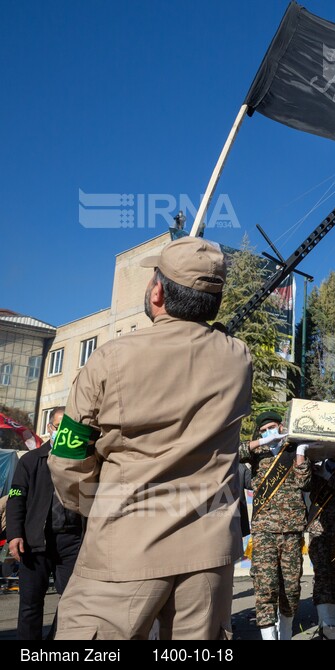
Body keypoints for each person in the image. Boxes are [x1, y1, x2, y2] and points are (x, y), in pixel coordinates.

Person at [48, 236, 252, 640]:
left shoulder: (110, 357)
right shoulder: (239, 359)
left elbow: (67, 458)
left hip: (123, 550)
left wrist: (95, 506)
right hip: (208, 555)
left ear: (157, 291)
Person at [7, 407, 83, 640]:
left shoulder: (81, 462)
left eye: (66, 428)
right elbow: (16, 498)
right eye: (58, 426)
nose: (62, 432)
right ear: (50, 428)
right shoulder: (31, 460)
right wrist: (15, 535)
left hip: (71, 541)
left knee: (73, 600)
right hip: (34, 542)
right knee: (30, 603)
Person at [240, 411, 310, 640]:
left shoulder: (292, 450)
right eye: (263, 430)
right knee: (265, 586)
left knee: (290, 589)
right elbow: (230, 452)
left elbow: (305, 482)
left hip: (291, 530)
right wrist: (261, 442)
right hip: (263, 530)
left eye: (271, 427)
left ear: (281, 426)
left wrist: (300, 453)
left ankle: (286, 633)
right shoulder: (257, 453)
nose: (268, 431)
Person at [306, 453, 335, 639]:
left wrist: (327, 476)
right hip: (319, 529)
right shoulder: (314, 465)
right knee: (323, 575)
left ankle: (332, 618)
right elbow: (304, 485)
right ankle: (326, 624)